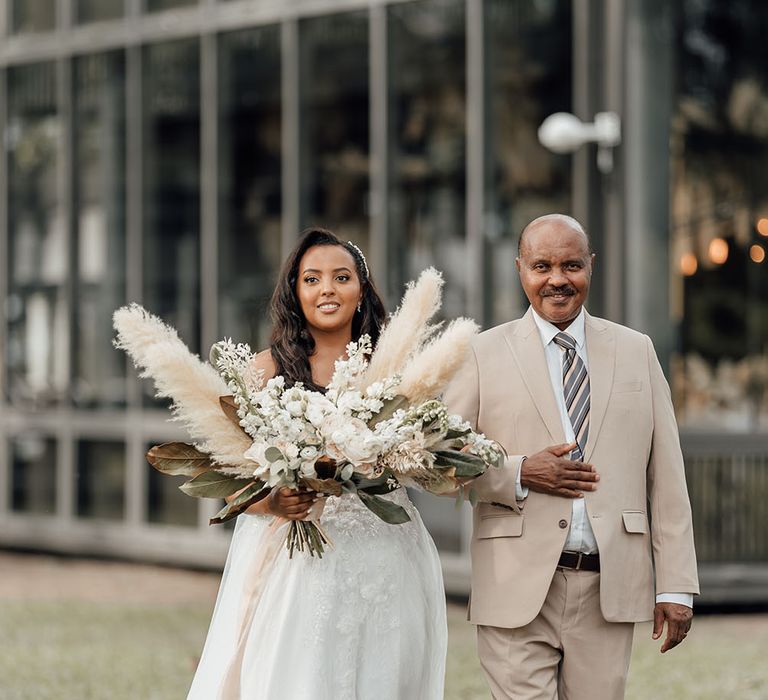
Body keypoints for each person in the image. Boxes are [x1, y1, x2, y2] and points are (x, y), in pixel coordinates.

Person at [443, 214, 699, 700]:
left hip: (608, 587)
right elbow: (440, 463)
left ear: (590, 267)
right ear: (520, 268)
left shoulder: (636, 350)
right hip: (514, 583)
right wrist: (518, 471)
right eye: (542, 266)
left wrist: (676, 585)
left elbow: (666, 476)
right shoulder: (481, 353)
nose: (557, 279)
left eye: (571, 265)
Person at [187, 228, 446, 699]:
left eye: (341, 277)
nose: (327, 288)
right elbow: (229, 484)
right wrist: (277, 502)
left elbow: (422, 454)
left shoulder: (394, 369)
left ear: (361, 291)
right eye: (312, 279)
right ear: (295, 292)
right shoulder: (265, 371)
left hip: (385, 554)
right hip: (297, 561)